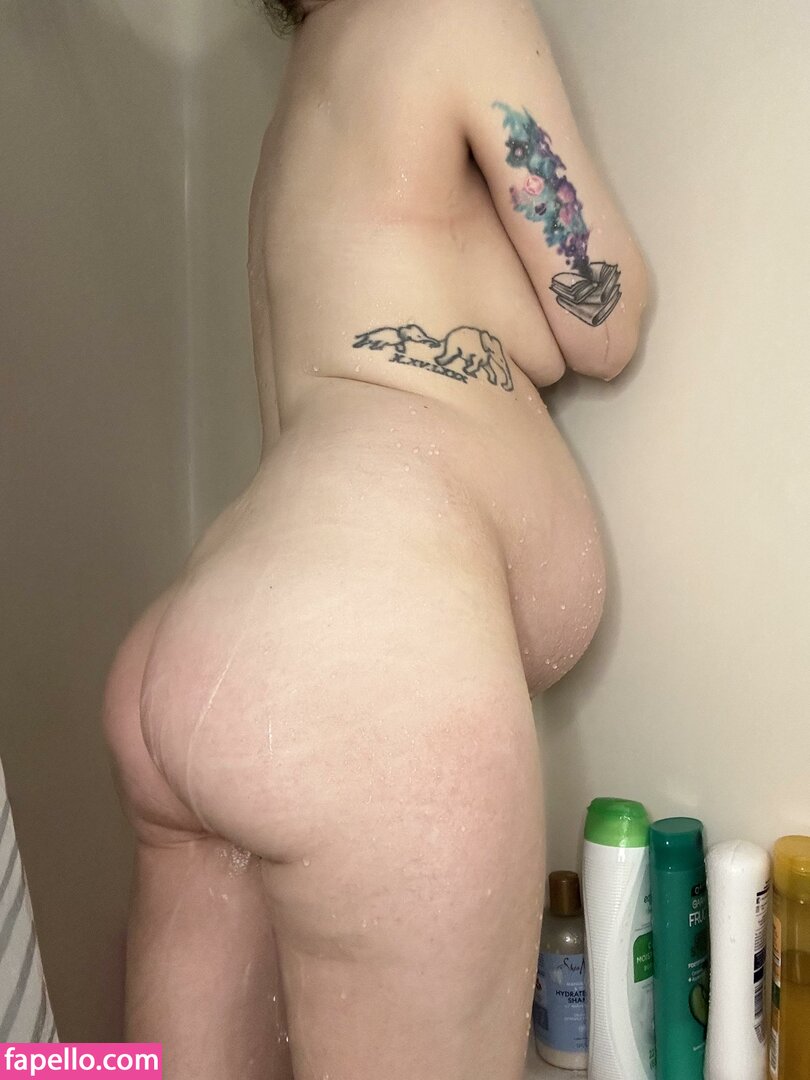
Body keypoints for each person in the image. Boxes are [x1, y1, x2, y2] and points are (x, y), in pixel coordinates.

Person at [103, 0, 648, 1077]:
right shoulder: (453, 9)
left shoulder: (300, 109)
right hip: (354, 667)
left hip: (208, 637)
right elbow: (604, 318)